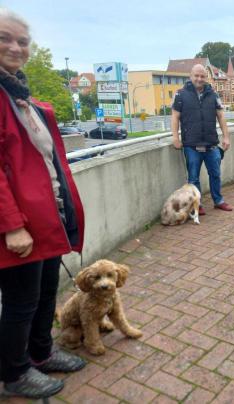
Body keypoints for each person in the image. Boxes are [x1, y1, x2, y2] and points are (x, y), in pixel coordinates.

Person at [0, 8, 86, 399]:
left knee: (47, 289)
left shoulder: (22, 98)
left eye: (22, 40)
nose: (16, 47)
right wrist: (12, 225)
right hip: (19, 224)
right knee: (21, 301)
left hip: (46, 217)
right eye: (6, 38)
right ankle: (15, 372)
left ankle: (40, 351)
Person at [171, 64, 232, 213]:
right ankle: (198, 205)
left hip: (211, 144)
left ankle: (218, 200)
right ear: (190, 76)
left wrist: (226, 136)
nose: (199, 79)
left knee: (215, 174)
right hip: (191, 145)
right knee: (193, 178)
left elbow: (221, 116)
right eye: (196, 76)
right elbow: (175, 117)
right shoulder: (180, 95)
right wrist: (175, 137)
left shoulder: (213, 94)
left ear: (206, 77)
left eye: (202, 76)